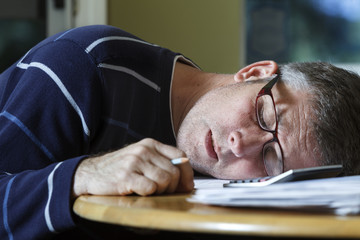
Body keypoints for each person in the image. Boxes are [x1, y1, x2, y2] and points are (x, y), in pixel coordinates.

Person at [0, 25, 360, 239]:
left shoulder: (227, 184)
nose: (239, 145)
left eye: (270, 160)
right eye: (264, 115)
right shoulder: (84, 68)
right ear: (254, 73)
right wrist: (80, 175)